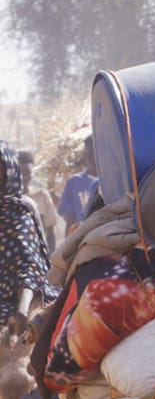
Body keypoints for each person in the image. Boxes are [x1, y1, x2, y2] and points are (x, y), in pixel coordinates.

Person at [1, 141, 56, 345]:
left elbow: (29, 265)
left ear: (8, 171)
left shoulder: (20, 212)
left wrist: (22, 311)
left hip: (18, 297)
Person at [16, 150, 60, 252]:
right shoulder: (10, 200)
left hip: (38, 252)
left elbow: (50, 231)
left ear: (33, 173)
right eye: (21, 173)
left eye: (28, 173)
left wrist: (51, 257)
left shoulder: (41, 195)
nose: (24, 178)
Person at [57, 135, 98, 231]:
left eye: (96, 153)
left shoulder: (112, 181)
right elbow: (70, 219)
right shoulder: (74, 182)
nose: (93, 158)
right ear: (84, 156)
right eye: (90, 154)